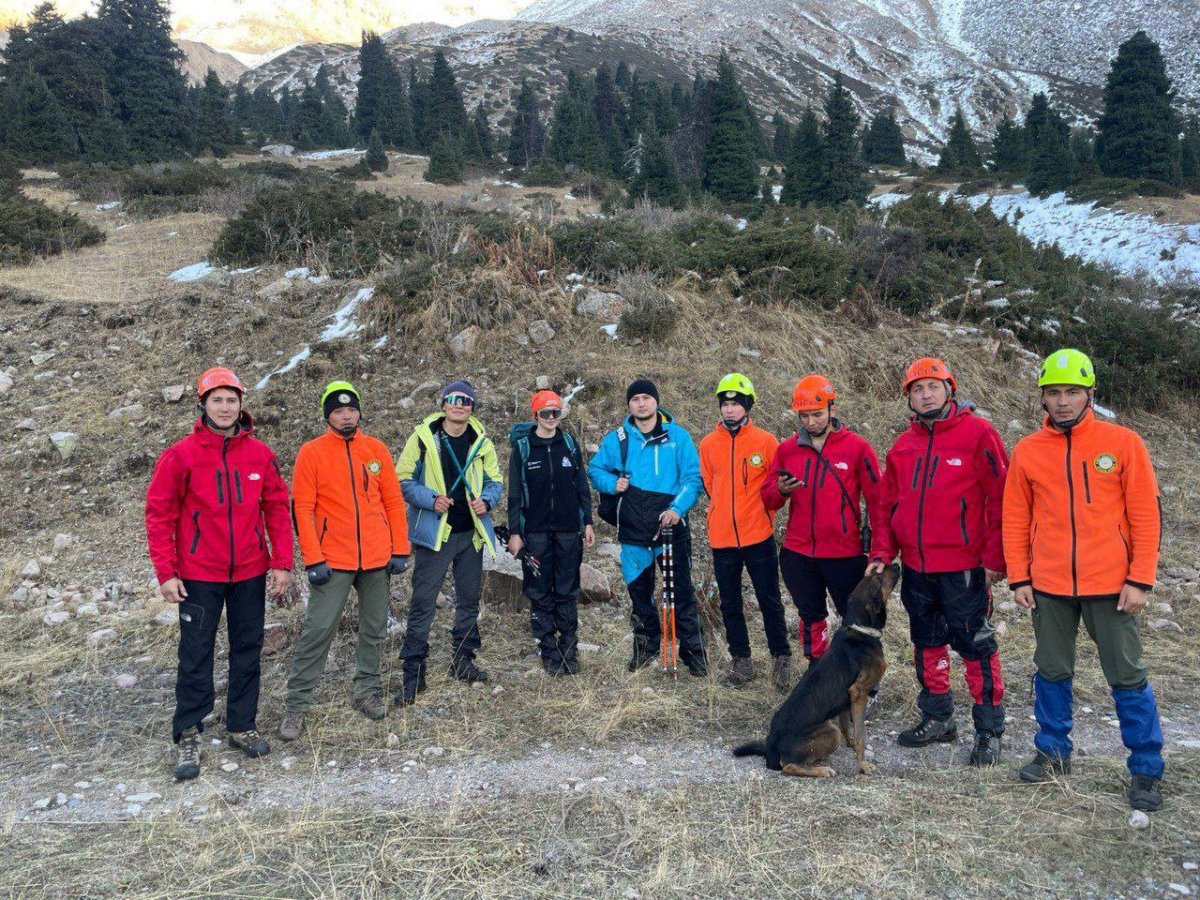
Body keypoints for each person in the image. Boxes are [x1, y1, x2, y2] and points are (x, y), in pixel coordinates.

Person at [1004, 349, 1164, 811]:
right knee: (1052, 672)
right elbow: (1015, 518)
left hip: (1112, 585)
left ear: (1090, 394)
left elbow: (1145, 516)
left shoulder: (1124, 443)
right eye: (1053, 393)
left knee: (1128, 676)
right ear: (1042, 399)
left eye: (1072, 392)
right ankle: (1052, 753)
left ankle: (1146, 768)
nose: (1062, 402)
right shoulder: (1028, 451)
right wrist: (1019, 577)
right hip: (1049, 584)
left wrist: (1141, 579)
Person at [145, 367, 293, 780]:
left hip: (249, 571)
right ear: (203, 404)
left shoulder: (260, 454)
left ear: (241, 404)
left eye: (232, 400)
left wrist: (282, 562)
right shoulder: (181, 455)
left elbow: (277, 509)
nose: (225, 407)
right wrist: (166, 571)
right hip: (198, 575)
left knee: (248, 649)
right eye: (217, 400)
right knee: (196, 654)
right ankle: (189, 730)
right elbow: (159, 515)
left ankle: (241, 725)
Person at [866, 357, 1008, 767]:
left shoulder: (980, 434)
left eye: (933, 386)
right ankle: (938, 717)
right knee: (927, 642)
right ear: (908, 397)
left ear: (950, 389)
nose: (925, 394)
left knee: (976, 646)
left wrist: (997, 558)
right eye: (917, 389)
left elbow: (1003, 498)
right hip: (916, 568)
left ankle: (989, 731)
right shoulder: (904, 445)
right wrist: (882, 552)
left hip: (964, 567)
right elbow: (883, 506)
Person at [278, 382, 411, 740]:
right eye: (338, 411)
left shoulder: (376, 449)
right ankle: (297, 705)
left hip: (376, 558)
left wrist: (400, 548)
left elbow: (393, 503)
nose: (346, 415)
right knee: (318, 630)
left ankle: (365, 692)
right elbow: (302, 509)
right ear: (328, 416)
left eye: (351, 409)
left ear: (359, 412)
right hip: (332, 560)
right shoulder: (312, 452)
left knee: (374, 627)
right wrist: (313, 558)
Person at [762, 375, 882, 674]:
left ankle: (863, 681)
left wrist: (880, 551)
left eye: (817, 414)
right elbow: (768, 498)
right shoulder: (788, 449)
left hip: (845, 554)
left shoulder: (857, 447)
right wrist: (781, 489)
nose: (812, 422)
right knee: (810, 617)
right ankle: (818, 673)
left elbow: (879, 502)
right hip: (799, 553)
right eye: (805, 416)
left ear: (831, 409)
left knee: (855, 620)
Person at [394, 380, 503, 704]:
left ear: (472, 408)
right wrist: (430, 499)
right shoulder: (424, 438)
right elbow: (402, 479)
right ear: (443, 404)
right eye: (454, 399)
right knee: (423, 604)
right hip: (435, 536)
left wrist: (487, 500)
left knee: (468, 601)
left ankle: (463, 661)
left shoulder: (481, 442)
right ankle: (414, 674)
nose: (460, 405)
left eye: (467, 401)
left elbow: (495, 481)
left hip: (470, 535)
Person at [589, 379, 707, 676]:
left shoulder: (678, 437)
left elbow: (693, 479)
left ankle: (693, 652)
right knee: (639, 594)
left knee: (680, 591)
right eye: (635, 399)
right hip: (633, 531)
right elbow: (594, 469)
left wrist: (677, 509)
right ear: (629, 405)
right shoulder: (618, 439)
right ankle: (646, 647)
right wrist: (612, 483)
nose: (641, 403)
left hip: (671, 528)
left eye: (646, 398)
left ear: (656, 401)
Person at [698, 373, 790, 690]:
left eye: (736, 404)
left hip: (758, 536)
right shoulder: (708, 444)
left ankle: (781, 659)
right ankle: (742, 662)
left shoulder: (766, 441)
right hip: (722, 538)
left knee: (770, 600)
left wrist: (764, 515)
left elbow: (775, 487)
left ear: (747, 405)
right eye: (725, 404)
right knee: (730, 603)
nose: (730, 410)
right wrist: (722, 512)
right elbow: (710, 486)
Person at [506, 390, 595, 675]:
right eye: (545, 413)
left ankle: (569, 650)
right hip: (535, 533)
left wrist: (588, 522)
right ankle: (548, 650)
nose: (551, 418)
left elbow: (581, 485)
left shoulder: (569, 444)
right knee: (541, 592)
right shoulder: (523, 448)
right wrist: (515, 532)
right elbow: (515, 495)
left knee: (567, 591)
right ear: (535, 415)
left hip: (569, 530)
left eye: (555, 412)